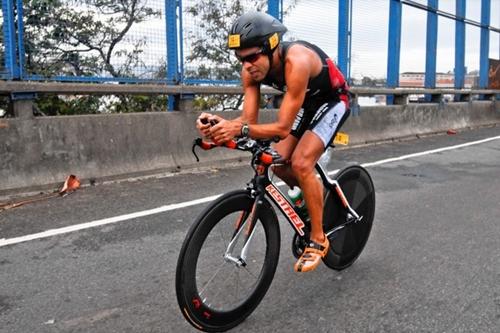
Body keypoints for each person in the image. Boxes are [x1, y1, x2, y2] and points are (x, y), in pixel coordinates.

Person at [196, 11, 350, 273]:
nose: (247, 65)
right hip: (305, 101)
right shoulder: (251, 72)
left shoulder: (297, 62)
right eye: (240, 59)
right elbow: (248, 121)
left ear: (272, 47)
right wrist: (221, 127)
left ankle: (318, 238)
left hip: (333, 101)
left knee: (301, 163)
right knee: (277, 163)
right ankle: (306, 196)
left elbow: (281, 127)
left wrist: (237, 128)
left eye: (252, 56)